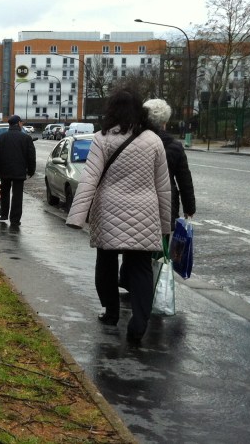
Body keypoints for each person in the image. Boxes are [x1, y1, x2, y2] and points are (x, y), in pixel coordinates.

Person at [65, 88, 171, 344]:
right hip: (145, 211)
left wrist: (76, 217)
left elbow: (89, 179)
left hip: (109, 209)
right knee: (141, 268)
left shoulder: (102, 139)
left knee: (106, 263)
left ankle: (111, 312)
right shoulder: (153, 140)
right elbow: (163, 185)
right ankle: (139, 322)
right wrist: (166, 225)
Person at [143, 99, 196, 229]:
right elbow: (184, 180)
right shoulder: (175, 146)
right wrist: (189, 207)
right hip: (167, 202)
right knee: (164, 242)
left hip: (140, 202)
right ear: (165, 122)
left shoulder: (136, 142)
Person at [0, 115, 36, 226]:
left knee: (4, 192)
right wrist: (31, 170)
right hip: (19, 171)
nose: (22, 125)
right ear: (18, 123)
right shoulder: (26, 138)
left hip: (5, 171)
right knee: (17, 195)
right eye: (21, 123)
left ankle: (4, 214)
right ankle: (15, 219)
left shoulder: (1, 137)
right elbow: (31, 156)